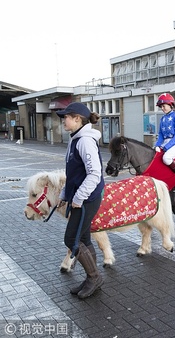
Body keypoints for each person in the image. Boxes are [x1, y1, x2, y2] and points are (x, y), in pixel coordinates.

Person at [55, 102, 105, 299]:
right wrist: (63, 196)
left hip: (88, 198)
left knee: (71, 238)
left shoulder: (84, 141)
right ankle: (91, 277)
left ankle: (94, 277)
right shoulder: (75, 139)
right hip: (81, 197)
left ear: (77, 119)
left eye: (66, 117)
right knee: (83, 238)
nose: (63, 120)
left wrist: (78, 197)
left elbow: (94, 173)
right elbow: (74, 173)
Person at [154, 93, 175, 184]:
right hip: (165, 142)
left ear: (170, 104)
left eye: (164, 106)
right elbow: (160, 134)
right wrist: (157, 145)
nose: (162, 108)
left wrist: (166, 147)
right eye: (161, 106)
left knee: (166, 158)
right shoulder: (163, 118)